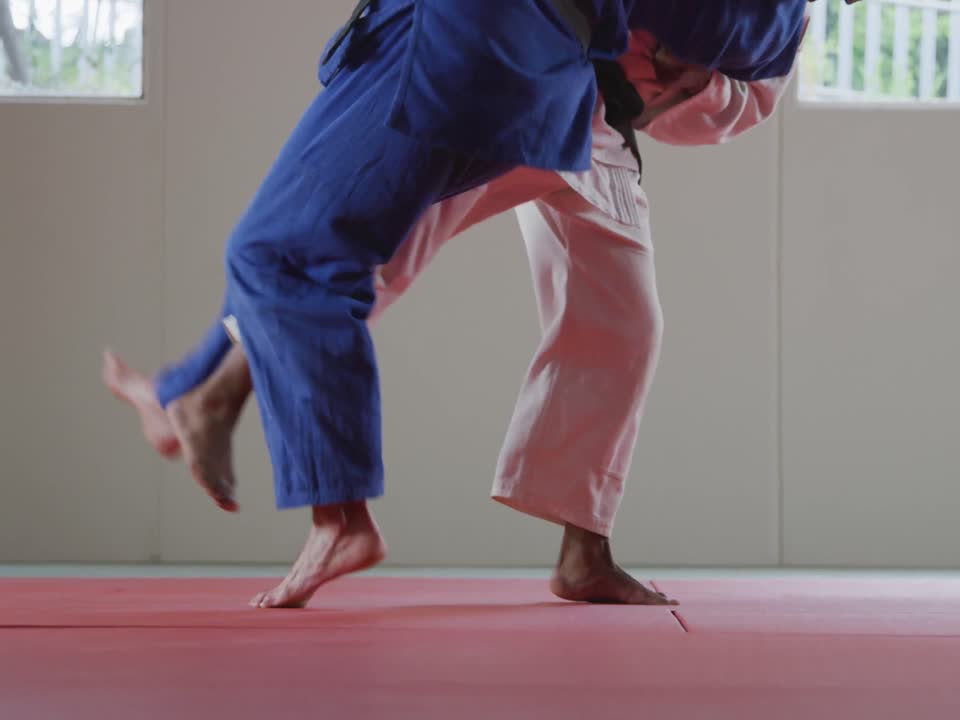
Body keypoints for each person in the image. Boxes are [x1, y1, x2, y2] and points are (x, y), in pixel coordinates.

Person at [106, 0, 817, 608]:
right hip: (521, 69)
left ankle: (584, 550)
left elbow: (729, 103)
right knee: (369, 253)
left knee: (627, 323)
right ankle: (207, 394)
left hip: (591, 111)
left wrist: (696, 82)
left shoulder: (783, 20)